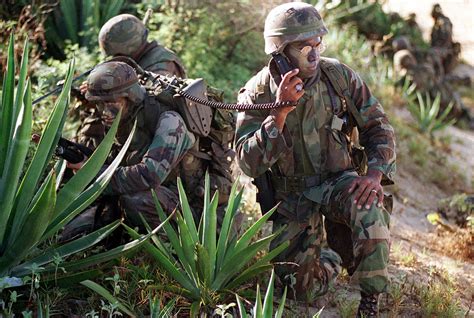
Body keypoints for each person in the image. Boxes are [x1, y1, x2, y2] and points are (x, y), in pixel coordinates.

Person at [235, 3, 396, 317]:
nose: (314, 53)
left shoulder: (338, 76)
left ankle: (369, 302)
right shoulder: (257, 94)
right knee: (299, 288)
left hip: (339, 182)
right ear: (279, 53)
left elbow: (379, 126)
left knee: (370, 206)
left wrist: (375, 173)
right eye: (302, 46)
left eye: (317, 43)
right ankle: (333, 255)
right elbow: (246, 163)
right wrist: (278, 114)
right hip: (292, 196)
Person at [62, 61, 235, 239]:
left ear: (130, 97)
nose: (104, 111)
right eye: (99, 104)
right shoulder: (121, 118)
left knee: (136, 202)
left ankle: (168, 251)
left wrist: (92, 173)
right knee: (68, 235)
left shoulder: (169, 121)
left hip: (193, 212)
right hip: (147, 198)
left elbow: (149, 175)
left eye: (111, 103)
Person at [76, 13, 186, 150]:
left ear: (127, 48)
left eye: (116, 55)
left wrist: (110, 88)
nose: (114, 58)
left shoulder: (161, 62)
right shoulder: (134, 58)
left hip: (160, 131)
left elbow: (154, 95)